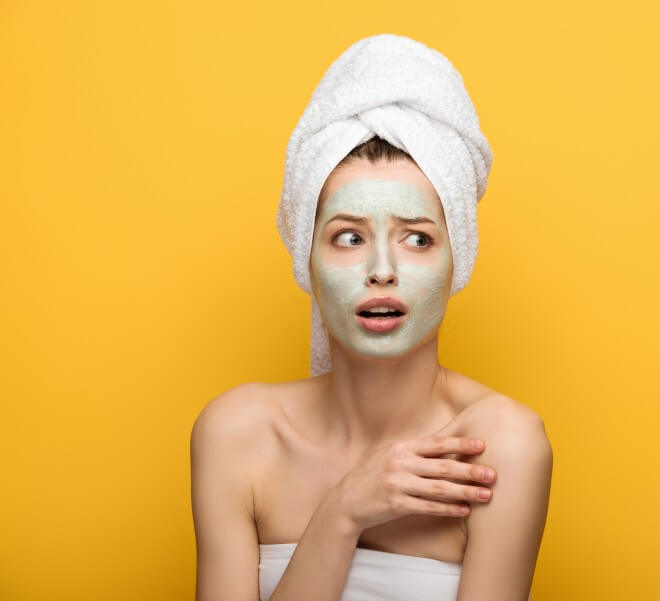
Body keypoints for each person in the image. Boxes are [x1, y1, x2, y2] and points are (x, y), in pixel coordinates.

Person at [190, 35, 552, 601]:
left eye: (417, 238)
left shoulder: (500, 446)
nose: (382, 270)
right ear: (304, 257)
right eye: (349, 236)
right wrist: (344, 512)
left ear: (458, 257)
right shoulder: (237, 434)